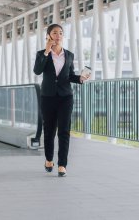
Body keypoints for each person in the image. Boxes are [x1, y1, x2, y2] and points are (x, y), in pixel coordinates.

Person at [33, 23, 89, 177]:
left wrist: (81, 78)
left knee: (64, 131)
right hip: (48, 97)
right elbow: (37, 70)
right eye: (55, 33)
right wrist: (46, 51)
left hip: (65, 97)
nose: (58, 35)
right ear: (49, 36)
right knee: (49, 130)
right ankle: (49, 159)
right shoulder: (41, 54)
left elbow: (69, 75)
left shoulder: (69, 55)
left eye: (60, 33)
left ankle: (62, 164)